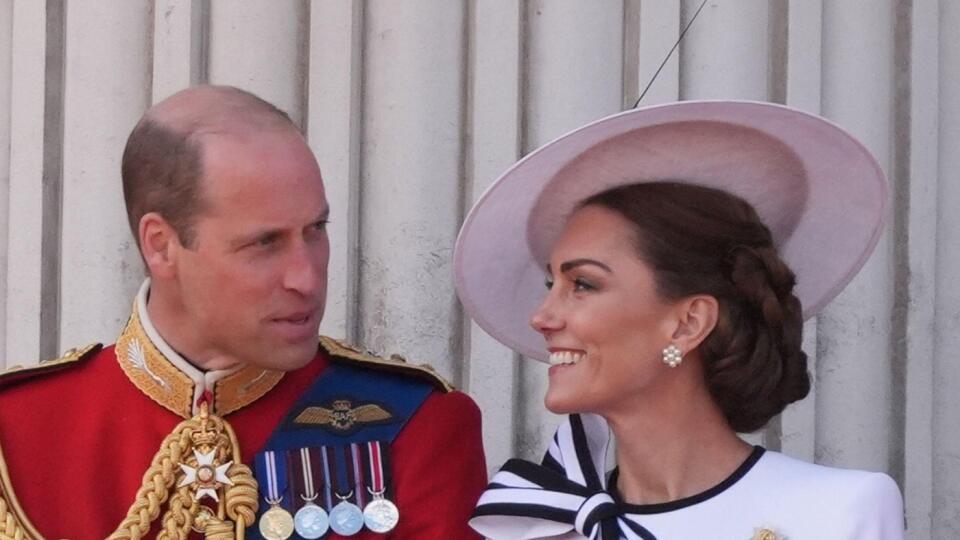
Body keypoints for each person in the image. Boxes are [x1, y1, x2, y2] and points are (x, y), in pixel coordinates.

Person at [0, 85, 487, 539]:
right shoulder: (16, 430)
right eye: (265, 242)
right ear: (161, 246)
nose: (307, 276)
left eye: (316, 229)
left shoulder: (414, 424)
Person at [455, 101, 904, 539]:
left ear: (689, 323)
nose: (542, 317)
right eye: (550, 284)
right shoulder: (542, 527)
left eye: (584, 284)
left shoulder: (837, 513)